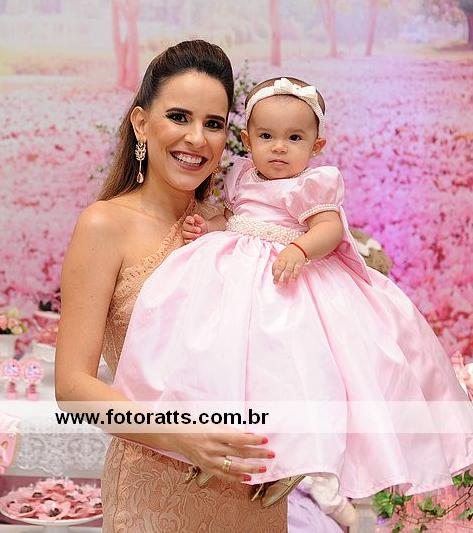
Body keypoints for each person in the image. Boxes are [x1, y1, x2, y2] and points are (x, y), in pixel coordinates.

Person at [112, 76, 473, 514]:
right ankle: (211, 438)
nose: (279, 148)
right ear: (247, 140)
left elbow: (329, 228)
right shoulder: (241, 176)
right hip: (234, 281)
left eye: (294, 138)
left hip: (286, 281)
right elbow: (234, 219)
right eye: (266, 136)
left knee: (291, 371)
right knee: (220, 359)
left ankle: (287, 460)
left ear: (316, 145)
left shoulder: (312, 184)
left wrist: (301, 249)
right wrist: (207, 227)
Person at [57, 42, 344, 532]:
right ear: (141, 123)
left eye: (213, 123)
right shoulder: (105, 224)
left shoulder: (241, 231)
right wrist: (183, 438)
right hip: (156, 495)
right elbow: (72, 387)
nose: (196, 138)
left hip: (252, 493)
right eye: (178, 117)